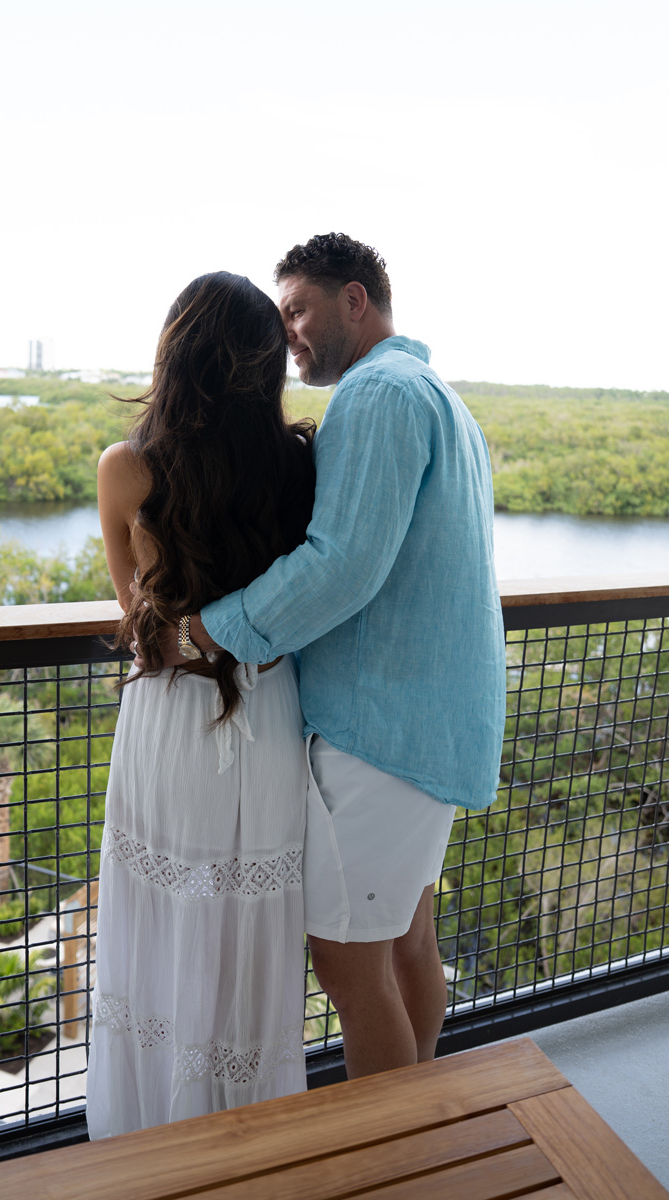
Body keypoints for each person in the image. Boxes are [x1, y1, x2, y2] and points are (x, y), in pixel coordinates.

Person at [165, 233, 508, 1079]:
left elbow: (341, 563)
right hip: (430, 726)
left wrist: (216, 627)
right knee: (408, 948)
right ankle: (415, 1127)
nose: (289, 335)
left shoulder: (379, 395)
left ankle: (388, 1158)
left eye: (299, 310)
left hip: (380, 729)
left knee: (350, 967)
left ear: (355, 299)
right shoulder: (439, 395)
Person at [85, 272, 316, 1136]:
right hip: (267, 713)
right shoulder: (299, 465)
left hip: (170, 717)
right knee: (246, 931)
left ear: (176, 350)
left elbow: (141, 616)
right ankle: (245, 1139)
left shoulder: (127, 468)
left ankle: (154, 1138)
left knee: (161, 918)